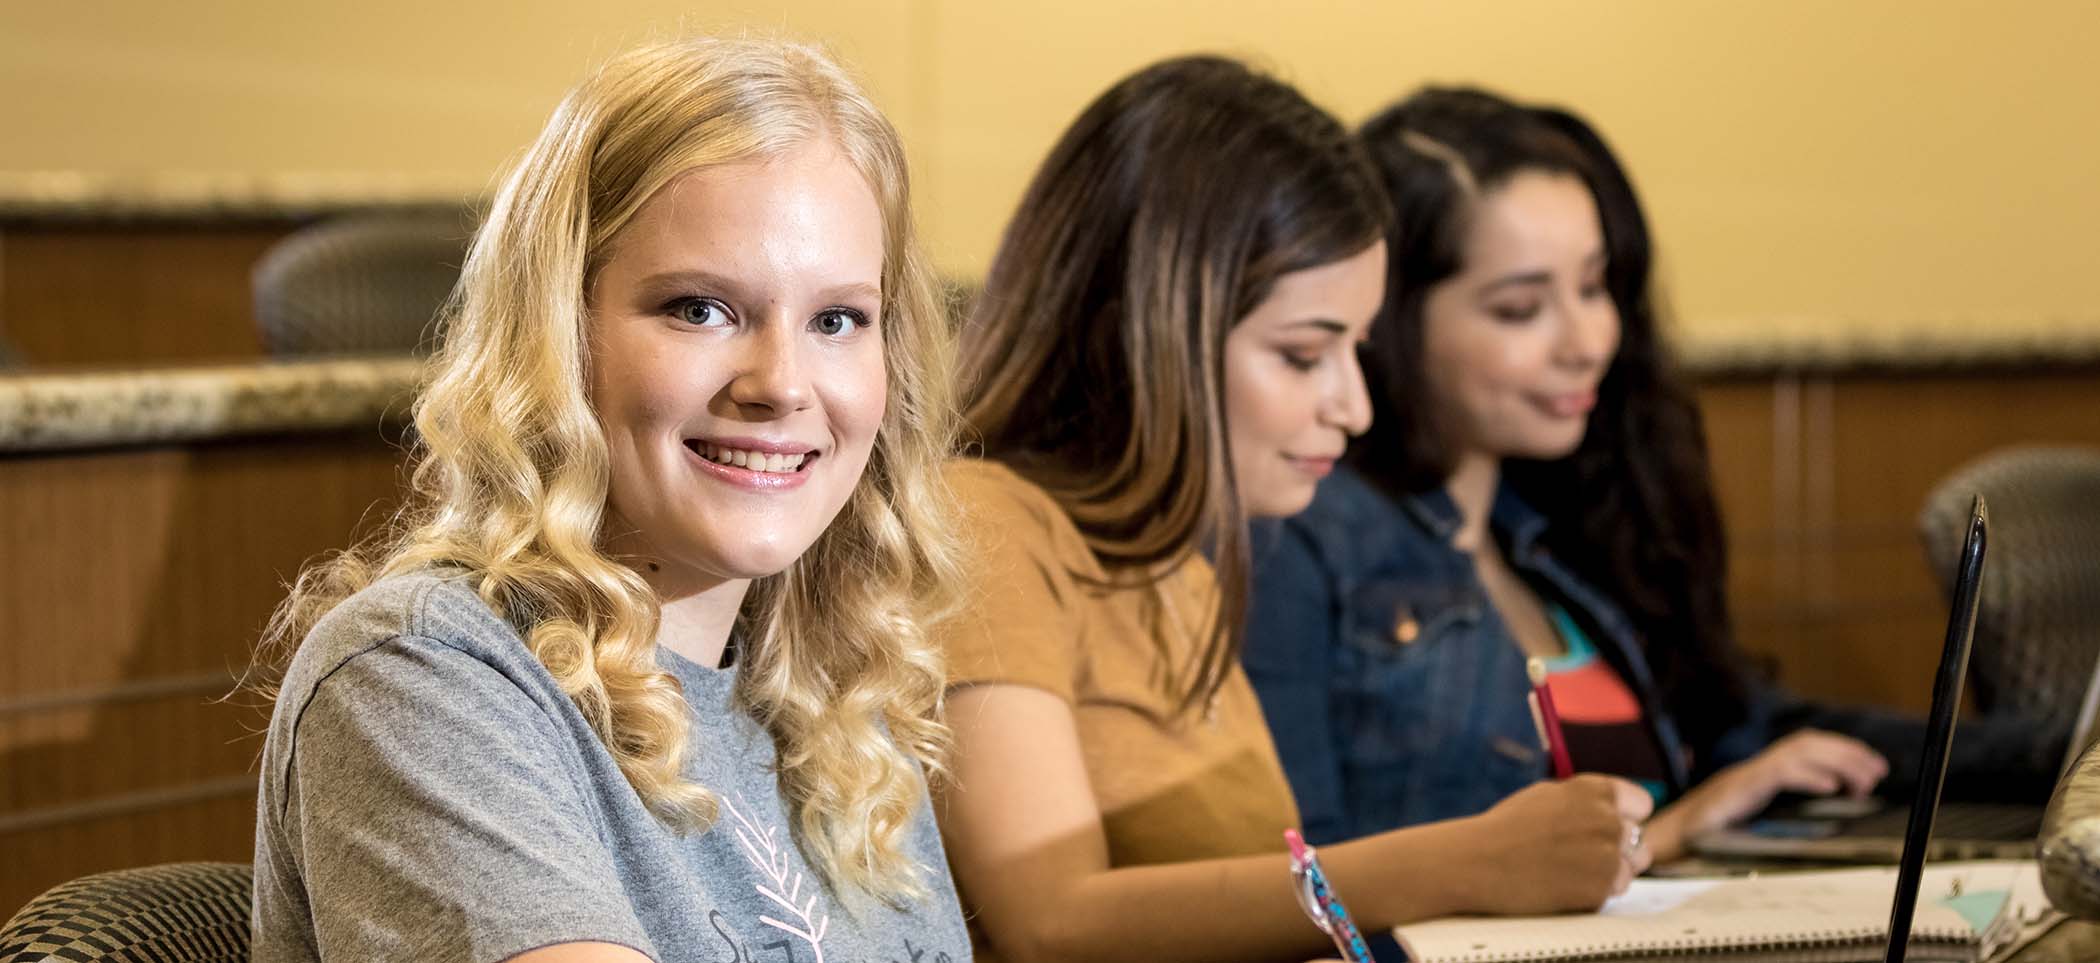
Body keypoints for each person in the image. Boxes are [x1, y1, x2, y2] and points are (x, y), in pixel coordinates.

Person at [247, 37, 973, 962]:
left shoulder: (840, 705)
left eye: (837, 320)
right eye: (699, 308)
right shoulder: (421, 677)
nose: (784, 384)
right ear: (557, 334)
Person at [931, 58, 1653, 963]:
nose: (1353, 405)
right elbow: (1053, 921)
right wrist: (1469, 859)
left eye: (1357, 349)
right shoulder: (991, 521)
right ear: (1150, 330)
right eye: (1305, 355)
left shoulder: (1176, 558)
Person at [1244, 86, 2062, 861]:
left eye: (1597, 287)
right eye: (1520, 308)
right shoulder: (1308, 537)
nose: (1587, 340)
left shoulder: (1546, 541)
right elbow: (1313, 883)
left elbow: (1739, 723)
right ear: (1387, 317)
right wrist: (1672, 834)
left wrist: (2049, 755)